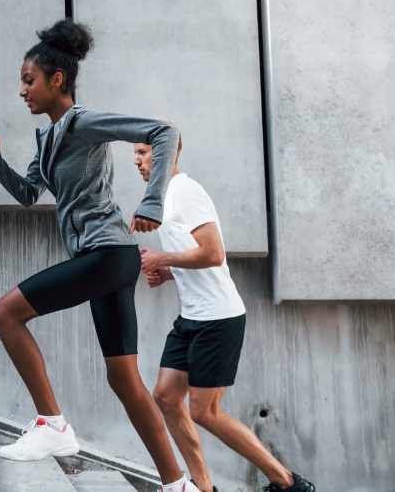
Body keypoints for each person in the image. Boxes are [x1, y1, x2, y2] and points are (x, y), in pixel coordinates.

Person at [0, 18, 197, 492]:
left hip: (107, 252)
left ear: (57, 81)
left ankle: (52, 425)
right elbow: (29, 194)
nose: (22, 91)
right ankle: (177, 485)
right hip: (112, 260)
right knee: (123, 379)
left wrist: (153, 200)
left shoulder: (81, 122)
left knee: (5, 314)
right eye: (21, 83)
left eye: (28, 81)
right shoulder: (48, 138)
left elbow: (164, 131)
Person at [133, 139, 316, 492]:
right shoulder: (165, 197)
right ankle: (202, 487)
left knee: (205, 412)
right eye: (135, 154)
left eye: (142, 153)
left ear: (167, 153)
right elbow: (196, 255)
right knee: (167, 397)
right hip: (191, 318)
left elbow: (214, 253)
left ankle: (288, 483)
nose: (136, 161)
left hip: (218, 318)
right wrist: (170, 272)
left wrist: (162, 259)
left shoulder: (185, 191)